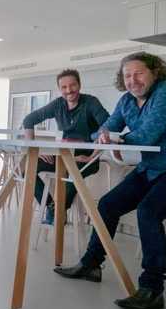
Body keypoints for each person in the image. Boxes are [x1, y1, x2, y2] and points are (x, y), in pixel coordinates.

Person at [54, 52, 166, 309]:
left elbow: (147, 136)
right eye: (127, 75)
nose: (132, 80)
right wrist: (104, 135)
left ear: (155, 73)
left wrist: (118, 139)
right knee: (107, 204)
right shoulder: (127, 101)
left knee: (148, 212)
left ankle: (152, 289)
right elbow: (103, 128)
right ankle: (92, 265)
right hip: (152, 168)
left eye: (139, 73)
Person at [23, 69, 110, 224]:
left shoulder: (90, 102)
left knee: (73, 170)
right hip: (64, 154)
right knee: (27, 168)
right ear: (59, 89)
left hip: (87, 157)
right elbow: (29, 120)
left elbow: (106, 126)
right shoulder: (58, 105)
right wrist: (35, 150)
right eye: (64, 87)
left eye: (72, 85)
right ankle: (52, 207)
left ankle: (57, 211)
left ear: (79, 85)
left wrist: (91, 157)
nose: (69, 90)